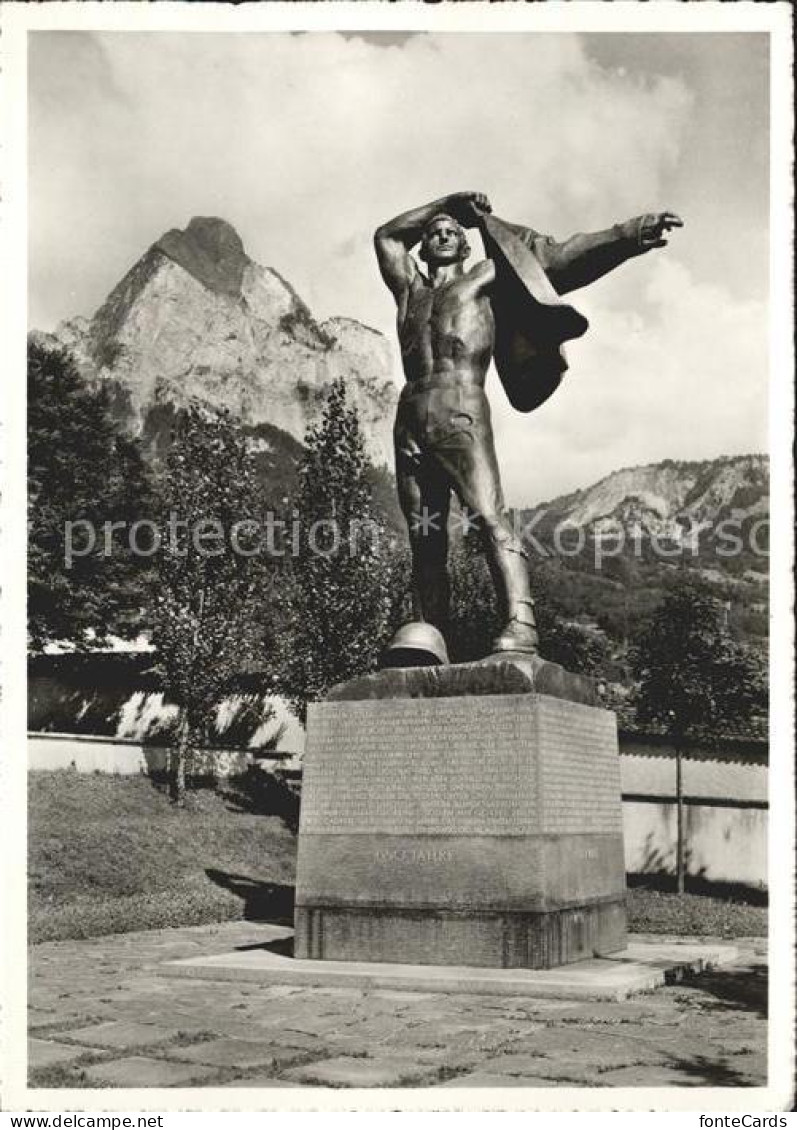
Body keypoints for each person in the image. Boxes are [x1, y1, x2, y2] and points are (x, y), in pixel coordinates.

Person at [374, 191, 682, 656]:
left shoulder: (486, 277)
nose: (440, 234)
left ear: (464, 246)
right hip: (410, 418)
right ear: (423, 245)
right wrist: (450, 202)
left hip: (461, 408)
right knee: (426, 536)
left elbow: (558, 260)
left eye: (451, 231)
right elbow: (386, 236)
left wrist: (628, 234)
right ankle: (432, 633)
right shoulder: (410, 292)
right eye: (433, 231)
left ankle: (521, 624)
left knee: (488, 518)